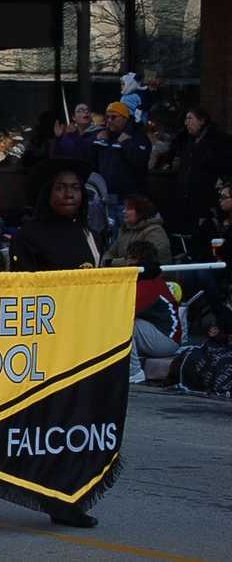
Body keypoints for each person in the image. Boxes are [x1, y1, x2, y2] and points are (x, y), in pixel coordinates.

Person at [9, 157, 103, 529]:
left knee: (81, 424)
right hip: (48, 343)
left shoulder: (90, 233)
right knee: (51, 424)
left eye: (75, 188)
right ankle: (53, 494)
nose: (69, 194)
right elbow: (22, 290)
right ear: (47, 192)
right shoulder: (29, 235)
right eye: (61, 187)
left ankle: (71, 497)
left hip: (88, 340)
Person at [172, 108, 232, 248]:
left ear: (202, 121)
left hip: (209, 201)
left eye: (190, 119)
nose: (187, 123)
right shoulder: (189, 141)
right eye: (186, 119)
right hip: (188, 201)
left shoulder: (219, 142)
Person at [91, 101, 151, 241]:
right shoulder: (104, 137)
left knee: (128, 238)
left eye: (114, 117)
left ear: (124, 118)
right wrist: (96, 145)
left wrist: (126, 143)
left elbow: (140, 162)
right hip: (105, 199)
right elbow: (92, 165)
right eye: (108, 117)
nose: (109, 121)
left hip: (127, 200)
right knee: (105, 238)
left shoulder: (137, 136)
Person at [124, 241, 181, 384]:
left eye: (130, 258)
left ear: (138, 260)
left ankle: (135, 372)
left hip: (168, 340)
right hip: (158, 333)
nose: (126, 262)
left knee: (124, 324)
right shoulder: (147, 279)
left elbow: (125, 311)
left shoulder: (149, 285)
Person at [101, 194, 171, 267]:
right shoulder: (125, 231)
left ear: (141, 211)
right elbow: (111, 252)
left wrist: (112, 263)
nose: (124, 211)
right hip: (126, 274)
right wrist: (106, 261)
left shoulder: (155, 231)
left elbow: (142, 260)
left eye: (129, 209)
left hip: (151, 275)